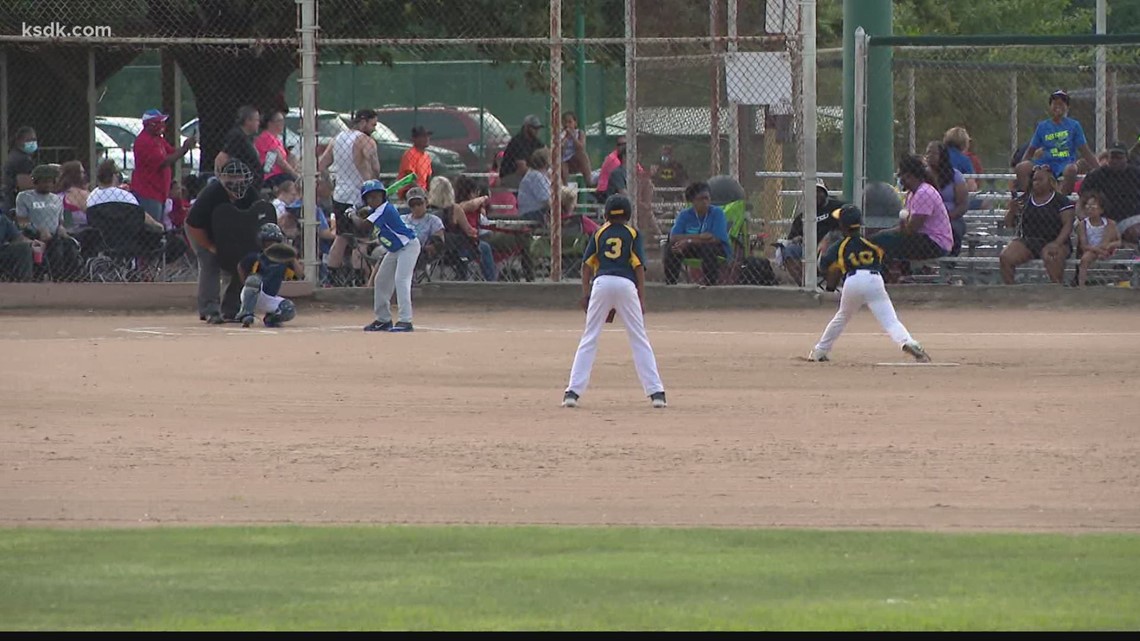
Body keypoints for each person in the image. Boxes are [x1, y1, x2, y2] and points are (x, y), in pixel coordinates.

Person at [562, 194, 666, 410]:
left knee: (590, 337)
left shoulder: (599, 233)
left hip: (601, 283)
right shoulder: (633, 233)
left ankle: (572, 392)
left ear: (607, 214)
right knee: (639, 337)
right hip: (626, 285)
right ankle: (656, 393)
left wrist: (586, 294)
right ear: (627, 215)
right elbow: (638, 267)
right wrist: (641, 297)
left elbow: (586, 266)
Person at [807, 204, 931, 364]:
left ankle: (819, 351)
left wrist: (824, 254)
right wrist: (901, 225)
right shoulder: (874, 241)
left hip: (852, 281)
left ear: (842, 226)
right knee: (890, 320)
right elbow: (894, 234)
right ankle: (908, 342)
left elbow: (824, 266)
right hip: (874, 280)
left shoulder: (839, 246)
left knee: (842, 316)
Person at [185, 159, 258, 323]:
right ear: (222, 179)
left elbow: (257, 218)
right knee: (210, 262)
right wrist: (210, 246)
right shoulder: (211, 194)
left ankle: (232, 309)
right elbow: (193, 224)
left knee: (240, 263)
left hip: (230, 230)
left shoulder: (251, 194)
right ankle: (209, 309)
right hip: (202, 229)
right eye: (232, 177)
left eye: (240, 177)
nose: (237, 182)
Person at [871, 154, 952, 274]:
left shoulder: (924, 192)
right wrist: (885, 232)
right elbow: (906, 228)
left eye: (901, 176)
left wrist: (892, 231)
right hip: (923, 238)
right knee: (881, 238)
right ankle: (895, 272)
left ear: (909, 175)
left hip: (936, 242)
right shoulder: (912, 194)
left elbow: (911, 229)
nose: (900, 180)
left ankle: (885, 274)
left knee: (885, 241)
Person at [359, 179, 421, 332]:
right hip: (395, 249)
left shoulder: (385, 209)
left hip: (409, 246)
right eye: (370, 197)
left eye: (377, 196)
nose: (374, 199)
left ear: (383, 197)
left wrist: (350, 214)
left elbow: (362, 225)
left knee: (401, 280)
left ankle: (405, 321)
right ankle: (383, 319)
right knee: (381, 280)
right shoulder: (376, 211)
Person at [999, 164, 1075, 285]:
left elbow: (1068, 225)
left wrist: (1057, 243)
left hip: (1056, 240)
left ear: (1050, 181)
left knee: (1050, 255)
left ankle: (1057, 287)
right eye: (1034, 180)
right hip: (1030, 240)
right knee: (1006, 256)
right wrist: (1012, 211)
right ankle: (1011, 290)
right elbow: (1009, 224)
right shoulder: (1025, 200)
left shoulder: (1061, 200)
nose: (1036, 183)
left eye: (1040, 180)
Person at [1015, 90, 1098, 196]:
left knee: (1071, 170)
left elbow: (1085, 151)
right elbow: (1031, 150)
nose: (1058, 106)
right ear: (1050, 106)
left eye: (1061, 104)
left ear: (1067, 107)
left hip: (1065, 162)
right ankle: (1028, 199)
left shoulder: (1074, 125)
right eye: (1055, 103)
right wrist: (1025, 162)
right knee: (1021, 167)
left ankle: (1061, 200)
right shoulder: (1043, 126)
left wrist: (1099, 169)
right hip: (1046, 162)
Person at [16, 164, 81, 280]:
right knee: (55, 250)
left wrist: (61, 227)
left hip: (54, 235)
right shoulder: (24, 197)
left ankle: (70, 280)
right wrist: (38, 229)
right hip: (33, 235)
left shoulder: (56, 199)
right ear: (36, 181)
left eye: (51, 181)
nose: (48, 184)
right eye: (44, 181)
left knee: (68, 246)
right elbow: (22, 222)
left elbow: (60, 221)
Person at [133, 109, 196, 226]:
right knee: (153, 227)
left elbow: (172, 152)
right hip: (148, 192)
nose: (162, 125)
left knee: (159, 225)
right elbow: (164, 162)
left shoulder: (158, 139)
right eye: (158, 122)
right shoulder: (144, 141)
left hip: (159, 192)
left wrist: (185, 147)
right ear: (150, 124)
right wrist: (184, 149)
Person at [663, 181, 731, 286]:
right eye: (701, 199)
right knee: (672, 247)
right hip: (692, 247)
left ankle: (710, 285)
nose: (705, 202)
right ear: (692, 201)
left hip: (715, 248)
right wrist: (696, 238)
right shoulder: (685, 215)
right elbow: (674, 236)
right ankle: (671, 284)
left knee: (708, 248)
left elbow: (716, 238)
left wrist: (688, 240)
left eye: (707, 198)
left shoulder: (717, 213)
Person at [780, 178, 846, 286]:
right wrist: (797, 239)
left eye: (819, 191)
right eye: (812, 192)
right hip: (808, 250)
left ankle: (830, 287)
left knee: (834, 247)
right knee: (789, 250)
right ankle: (805, 285)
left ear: (825, 193)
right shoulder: (802, 216)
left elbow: (846, 227)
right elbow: (792, 237)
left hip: (831, 248)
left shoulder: (836, 208)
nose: (816, 195)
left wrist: (828, 239)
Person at [236, 223, 301, 328]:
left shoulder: (284, 259)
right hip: (253, 292)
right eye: (268, 242)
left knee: (289, 309)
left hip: (268, 298)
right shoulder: (256, 256)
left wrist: (292, 257)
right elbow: (240, 266)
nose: (271, 244)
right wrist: (246, 285)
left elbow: (300, 275)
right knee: (254, 279)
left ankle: (271, 319)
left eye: (274, 242)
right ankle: (246, 314)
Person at [1078, 142, 1140, 245]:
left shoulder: (1136, 174)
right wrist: (1083, 217)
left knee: (1135, 231)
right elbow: (1082, 200)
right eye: (1112, 157)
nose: (1115, 161)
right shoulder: (1096, 175)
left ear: (1126, 158)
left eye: (1119, 157)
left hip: (1130, 217)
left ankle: (1127, 247)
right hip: (1101, 220)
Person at [925, 141, 969, 257]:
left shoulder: (955, 175)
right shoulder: (922, 176)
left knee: (954, 230)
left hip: (951, 218)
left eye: (934, 153)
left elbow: (962, 205)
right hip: (926, 218)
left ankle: (949, 265)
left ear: (942, 156)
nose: (929, 156)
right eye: (927, 153)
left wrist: (945, 218)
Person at [214, 106, 264, 195]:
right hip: (243, 186)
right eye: (256, 120)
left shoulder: (248, 137)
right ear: (248, 121)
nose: (258, 123)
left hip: (252, 184)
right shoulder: (237, 136)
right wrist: (222, 181)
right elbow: (221, 158)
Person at [1075, 191, 1120, 287]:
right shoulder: (1083, 224)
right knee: (1085, 258)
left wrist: (1109, 245)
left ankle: (1103, 252)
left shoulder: (1109, 223)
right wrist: (1098, 250)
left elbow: (1119, 241)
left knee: (1110, 226)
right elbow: (1084, 245)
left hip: (1106, 247)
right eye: (1088, 206)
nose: (1090, 209)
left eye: (1093, 207)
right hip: (1091, 249)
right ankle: (1081, 285)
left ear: (1101, 210)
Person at [400, 186, 445, 271]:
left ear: (426, 202)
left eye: (419, 203)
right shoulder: (402, 219)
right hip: (398, 248)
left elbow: (439, 244)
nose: (416, 207)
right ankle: (372, 283)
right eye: (412, 205)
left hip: (420, 253)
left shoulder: (434, 221)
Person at [255, 110, 298, 190]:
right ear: (270, 123)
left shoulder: (276, 139)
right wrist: (296, 175)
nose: (282, 123)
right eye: (279, 121)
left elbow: (288, 159)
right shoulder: (266, 137)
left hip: (280, 175)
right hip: (271, 176)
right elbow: (280, 161)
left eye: (283, 121)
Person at [498, 114, 545, 186]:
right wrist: (538, 174)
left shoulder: (535, 141)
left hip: (529, 175)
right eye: (534, 128)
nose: (537, 131)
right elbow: (522, 169)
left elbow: (546, 154)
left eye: (538, 128)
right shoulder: (518, 141)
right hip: (511, 175)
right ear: (526, 127)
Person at [2, 126, 37, 215]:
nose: (32, 143)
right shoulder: (23, 160)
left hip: (9, 200)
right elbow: (26, 186)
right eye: (28, 140)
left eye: (34, 139)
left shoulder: (14, 155)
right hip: (17, 204)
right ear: (19, 141)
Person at [396, 125, 433, 199]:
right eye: (423, 136)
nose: (427, 139)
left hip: (422, 191)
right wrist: (422, 192)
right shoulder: (410, 154)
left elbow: (428, 178)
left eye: (427, 136)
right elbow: (410, 179)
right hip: (408, 191)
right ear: (414, 139)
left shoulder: (426, 156)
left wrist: (429, 193)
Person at [0, 211, 34, 281]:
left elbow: (18, 238)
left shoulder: (2, 220)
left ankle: (23, 284)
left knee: (24, 248)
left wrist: (34, 243)